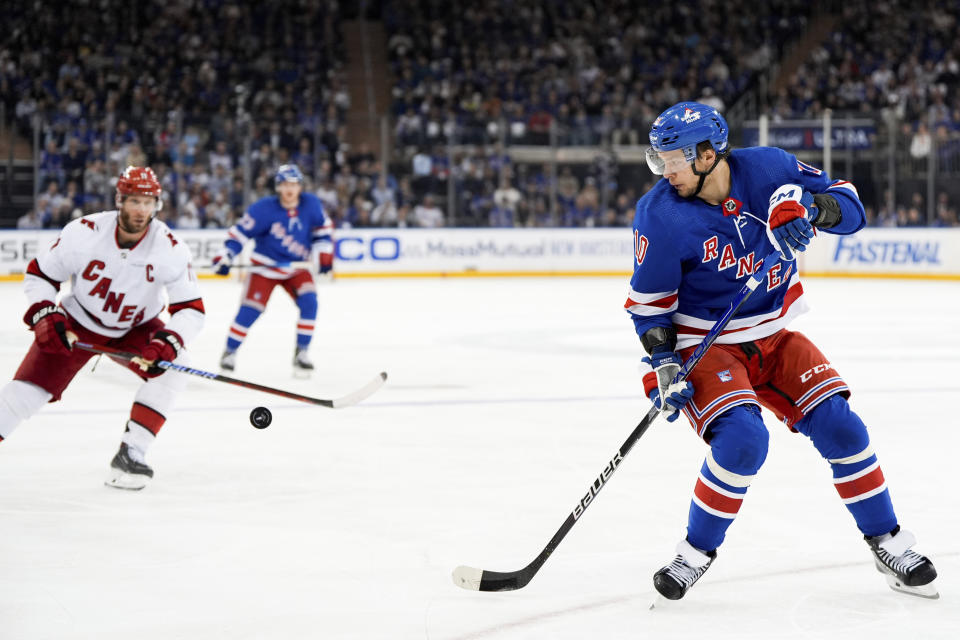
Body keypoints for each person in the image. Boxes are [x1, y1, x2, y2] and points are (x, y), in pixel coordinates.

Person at [627, 102, 938, 601]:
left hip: (773, 333)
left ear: (708, 153)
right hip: (706, 345)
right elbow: (649, 307)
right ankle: (694, 553)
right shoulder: (660, 215)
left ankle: (888, 541)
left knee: (842, 425)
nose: (666, 171)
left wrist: (813, 210)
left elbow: (852, 207)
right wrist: (664, 364)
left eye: (674, 160)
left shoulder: (769, 168)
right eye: (660, 160)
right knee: (743, 441)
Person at [0, 166, 204, 490]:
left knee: (175, 366)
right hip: (77, 323)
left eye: (148, 202)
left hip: (136, 328)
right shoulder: (84, 232)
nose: (141, 210)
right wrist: (45, 313)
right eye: (134, 201)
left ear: (157, 204)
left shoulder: (170, 247)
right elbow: (41, 275)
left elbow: (191, 310)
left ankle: (131, 454)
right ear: (119, 199)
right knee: (26, 393)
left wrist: (167, 342)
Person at [212, 164, 333, 377]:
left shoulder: (311, 204)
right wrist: (227, 256)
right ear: (278, 186)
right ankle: (229, 352)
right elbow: (239, 233)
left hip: (297, 267)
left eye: (294, 184)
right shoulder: (263, 208)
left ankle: (301, 353)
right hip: (264, 268)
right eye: (285, 184)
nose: (289, 189)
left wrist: (324, 254)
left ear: (300, 186)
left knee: (310, 303)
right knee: (251, 310)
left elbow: (323, 229)